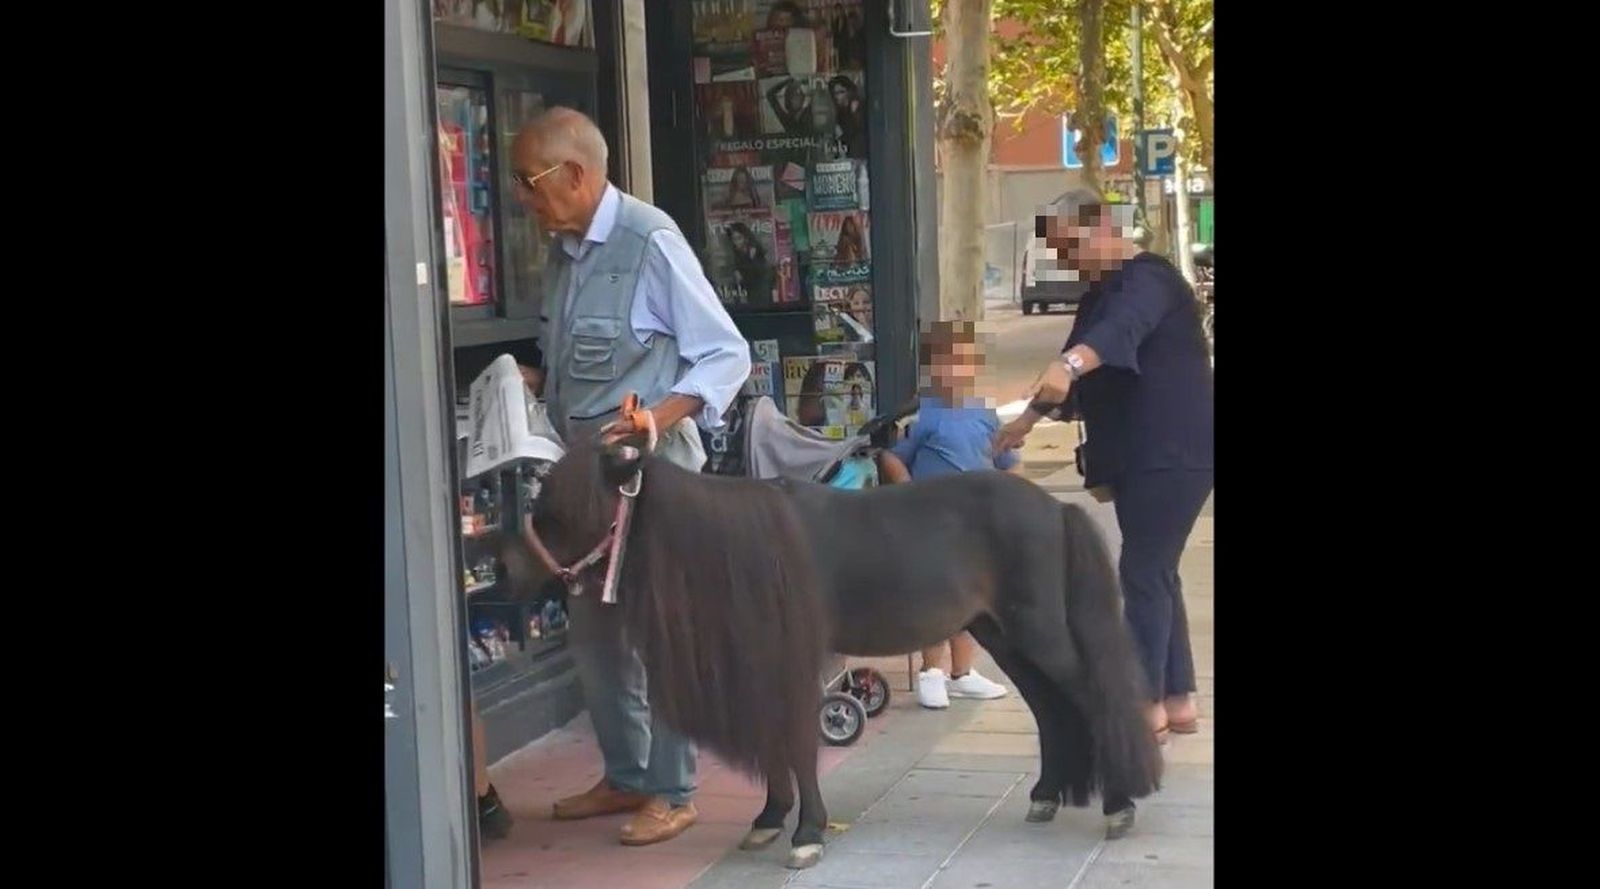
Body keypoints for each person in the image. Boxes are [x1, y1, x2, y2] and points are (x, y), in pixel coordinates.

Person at [509, 107, 752, 845]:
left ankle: (673, 792)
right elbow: (573, 362)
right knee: (595, 638)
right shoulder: (564, 251)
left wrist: (658, 416)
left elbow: (725, 354)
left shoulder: (650, 241)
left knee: (661, 631)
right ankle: (626, 774)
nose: (522, 197)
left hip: (652, 479)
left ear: (575, 174)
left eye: (529, 181)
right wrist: (524, 383)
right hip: (585, 483)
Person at [994, 189, 1213, 742]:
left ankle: (1140, 705)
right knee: (1156, 573)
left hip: (1172, 454)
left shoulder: (1150, 278)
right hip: (1140, 456)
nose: (1065, 261)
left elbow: (1116, 335)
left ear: (1101, 229)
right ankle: (1177, 699)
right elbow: (1072, 371)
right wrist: (1026, 422)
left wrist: (1069, 364)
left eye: (1069, 247)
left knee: (1142, 572)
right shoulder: (1098, 295)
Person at [883, 320, 1019, 709]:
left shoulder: (985, 415)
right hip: (935, 521)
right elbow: (893, 456)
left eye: (962, 362)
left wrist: (1009, 497)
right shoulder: (924, 415)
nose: (954, 371)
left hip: (976, 524)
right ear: (932, 368)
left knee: (972, 598)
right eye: (946, 363)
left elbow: (1008, 461)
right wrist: (908, 489)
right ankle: (931, 672)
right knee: (937, 598)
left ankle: (963, 672)